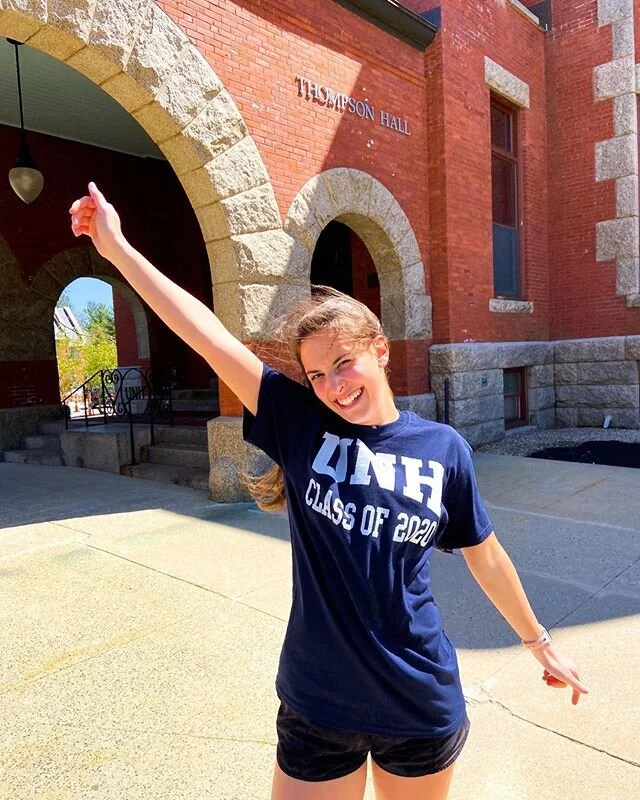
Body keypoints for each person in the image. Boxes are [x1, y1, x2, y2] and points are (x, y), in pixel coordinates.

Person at [69, 183, 588, 800]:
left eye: (344, 362)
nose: (333, 385)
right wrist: (118, 248)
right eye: (317, 373)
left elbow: (486, 554)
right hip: (319, 700)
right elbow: (208, 336)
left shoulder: (444, 448)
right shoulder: (298, 421)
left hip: (418, 702)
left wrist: (539, 643)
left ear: (380, 351)